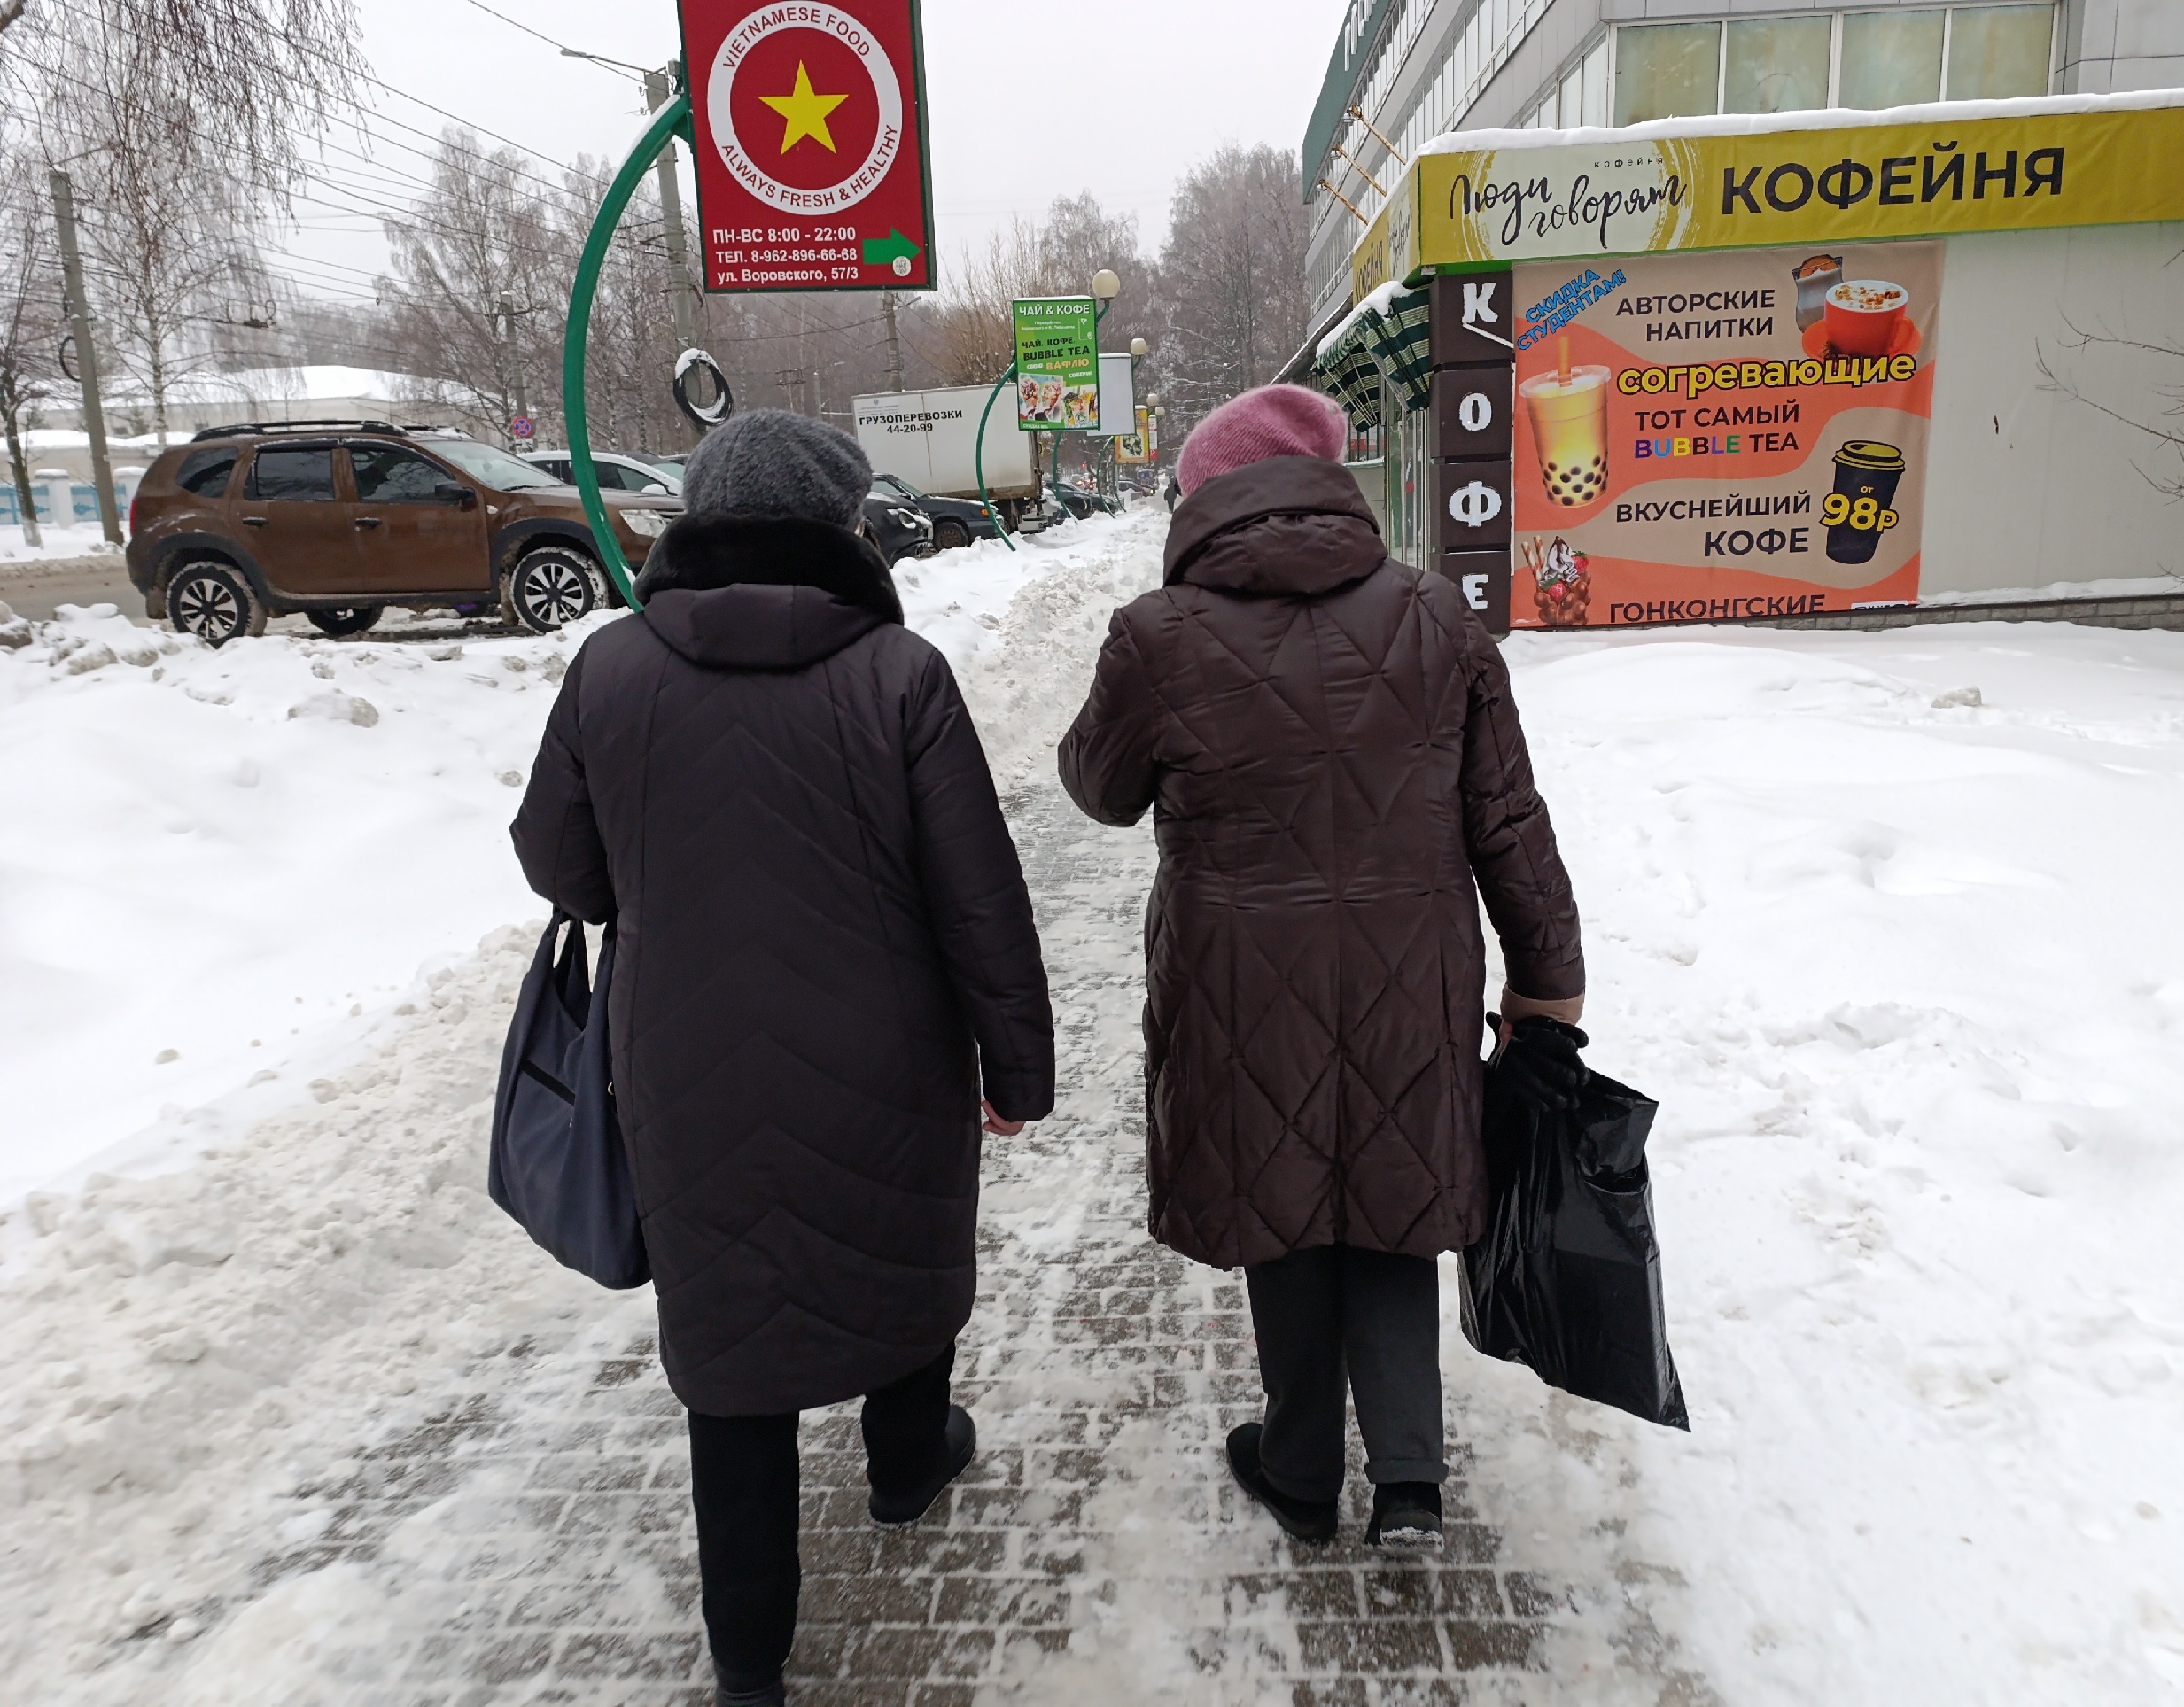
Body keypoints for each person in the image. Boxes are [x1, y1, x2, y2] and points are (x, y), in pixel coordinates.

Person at [512, 410, 1054, 1706]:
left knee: (730, 1335)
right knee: (898, 1244)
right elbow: (977, 894)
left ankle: (751, 1656)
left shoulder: (608, 671)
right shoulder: (901, 674)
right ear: (841, 529)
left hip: (681, 1057)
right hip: (887, 1048)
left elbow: (557, 862)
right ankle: (909, 1460)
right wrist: (1017, 1067)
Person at [1058, 385, 1582, 1550]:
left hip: (1240, 987)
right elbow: (1508, 819)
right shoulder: (1437, 617)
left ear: (1204, 499)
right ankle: (1408, 1480)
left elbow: (1098, 792)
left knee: (1282, 1205)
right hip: (1414, 973)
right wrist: (1548, 982)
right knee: (1390, 1196)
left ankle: (1298, 1469)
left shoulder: (1159, 633)